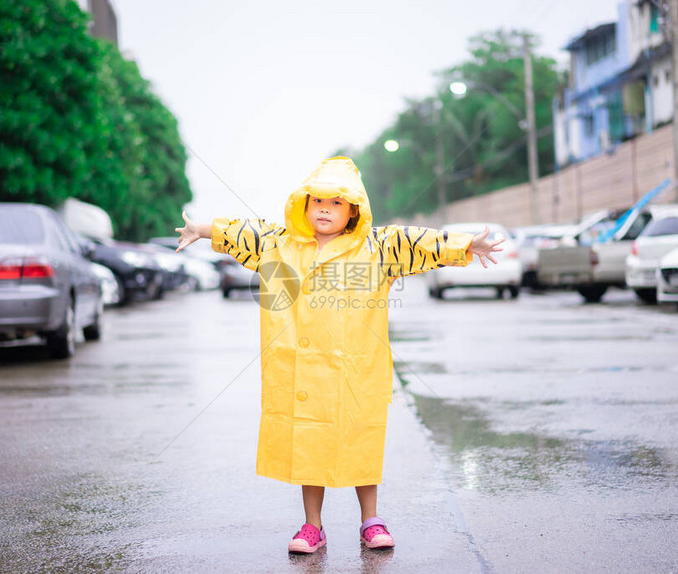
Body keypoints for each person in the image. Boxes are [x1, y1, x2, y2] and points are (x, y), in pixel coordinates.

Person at [175, 156, 503, 554]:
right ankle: (312, 526)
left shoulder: (378, 246)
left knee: (360, 441)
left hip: (356, 370)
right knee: (308, 446)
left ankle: (371, 520)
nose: (325, 210)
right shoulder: (280, 244)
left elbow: (422, 241)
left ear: (352, 211)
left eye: (335, 203)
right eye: (317, 202)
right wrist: (202, 229)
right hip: (303, 373)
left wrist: (467, 244)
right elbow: (242, 232)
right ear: (304, 205)